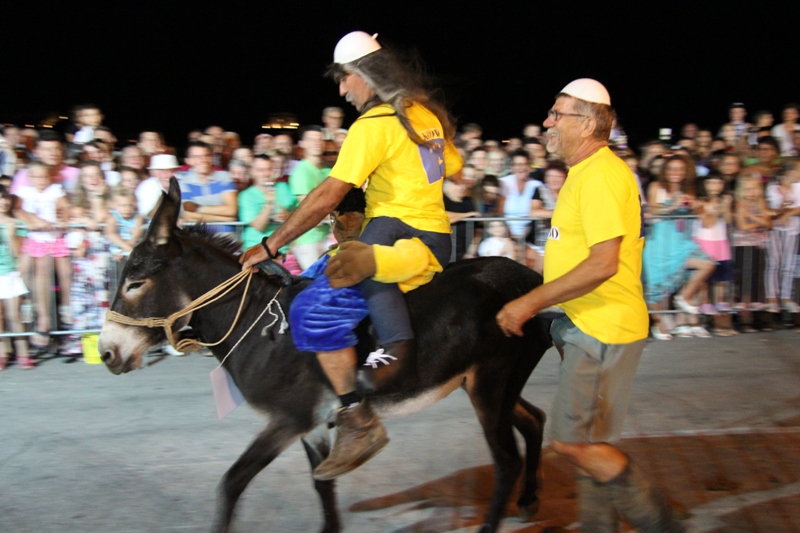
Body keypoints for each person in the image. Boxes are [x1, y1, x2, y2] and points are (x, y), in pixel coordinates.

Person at [240, 31, 461, 482]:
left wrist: (271, 243)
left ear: (365, 74)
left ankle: (357, 419)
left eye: (344, 79)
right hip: (432, 232)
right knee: (319, 272)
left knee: (308, 308)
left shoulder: (374, 124)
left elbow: (327, 194)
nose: (342, 90)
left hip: (396, 236)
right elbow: (450, 166)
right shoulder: (422, 114)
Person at [495, 79, 686, 532]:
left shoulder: (600, 175)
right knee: (591, 442)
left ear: (587, 123)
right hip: (589, 323)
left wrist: (528, 303)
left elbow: (602, 264)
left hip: (603, 328)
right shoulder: (586, 171)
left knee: (572, 445)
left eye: (556, 114)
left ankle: (663, 523)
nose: (547, 122)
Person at [288, 126, 332, 269]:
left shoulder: (327, 171)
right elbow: (309, 208)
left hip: (327, 236)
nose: (317, 143)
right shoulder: (301, 171)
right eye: (311, 139)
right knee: (314, 284)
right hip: (308, 239)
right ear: (302, 144)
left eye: (320, 139)